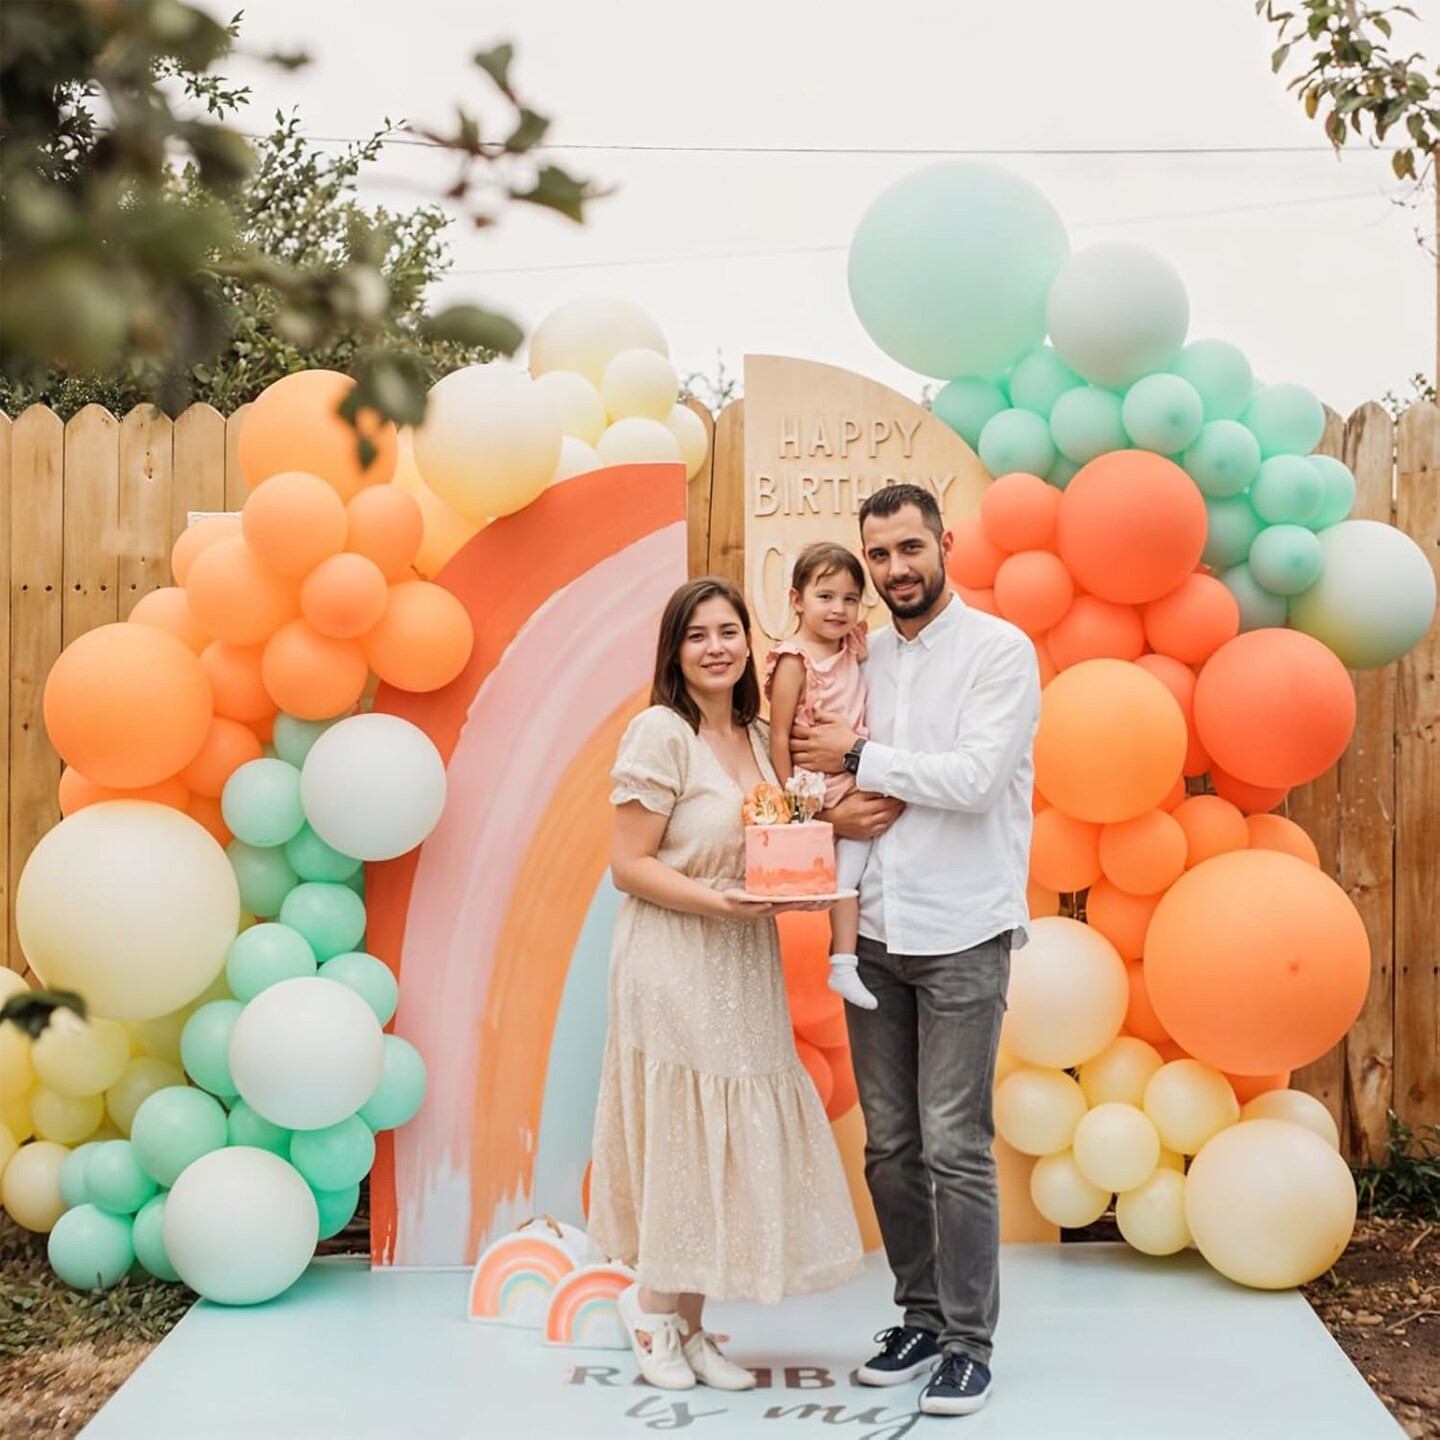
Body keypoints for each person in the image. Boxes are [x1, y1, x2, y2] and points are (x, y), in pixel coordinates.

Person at [792, 483, 1040, 1418]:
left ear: (944, 544)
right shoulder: (866, 656)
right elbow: (819, 775)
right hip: (877, 935)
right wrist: (834, 791)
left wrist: (856, 756)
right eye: (880, 556)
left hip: (963, 929)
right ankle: (922, 1317)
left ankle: (970, 1344)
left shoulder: (999, 652)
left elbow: (974, 781)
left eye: (909, 549)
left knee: (955, 1145)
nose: (895, 570)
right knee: (891, 1146)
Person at [589, 576, 865, 1393]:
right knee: (685, 1129)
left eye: (729, 631)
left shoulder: (754, 733)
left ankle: (695, 1326)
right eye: (697, 634)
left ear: (751, 642)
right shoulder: (659, 733)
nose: (716, 646)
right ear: (676, 652)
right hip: (674, 956)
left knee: (722, 1140)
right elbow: (626, 866)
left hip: (745, 961)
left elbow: (778, 844)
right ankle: (649, 1309)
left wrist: (807, 876)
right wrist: (718, 901)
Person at [765, 541, 877, 1010]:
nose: (839, 609)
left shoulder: (852, 646)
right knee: (849, 872)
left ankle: (849, 959)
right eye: (825, 596)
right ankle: (843, 963)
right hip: (822, 785)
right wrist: (795, 808)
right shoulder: (796, 661)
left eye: (850, 599)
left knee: (866, 862)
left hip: (859, 769)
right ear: (797, 600)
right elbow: (779, 736)